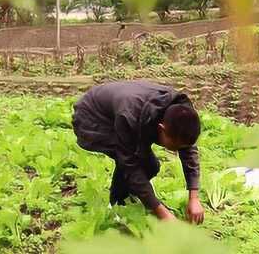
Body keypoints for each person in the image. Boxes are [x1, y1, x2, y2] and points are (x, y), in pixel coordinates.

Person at [72, 80, 205, 223]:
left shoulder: (182, 111)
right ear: (161, 129)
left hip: (123, 109)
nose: (179, 150)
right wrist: (162, 213)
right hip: (92, 116)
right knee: (137, 165)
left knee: (150, 166)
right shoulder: (129, 116)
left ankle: (130, 197)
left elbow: (188, 149)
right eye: (176, 146)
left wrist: (194, 197)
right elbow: (130, 165)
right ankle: (117, 207)